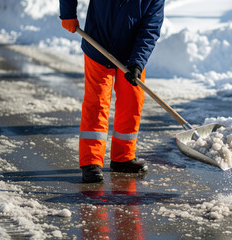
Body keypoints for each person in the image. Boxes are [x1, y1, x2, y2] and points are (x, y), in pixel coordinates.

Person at [59, 0, 165, 183]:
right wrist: (68, 13)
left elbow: (150, 29)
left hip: (131, 56)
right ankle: (91, 161)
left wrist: (137, 64)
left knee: (132, 101)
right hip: (98, 45)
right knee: (97, 102)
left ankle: (123, 157)